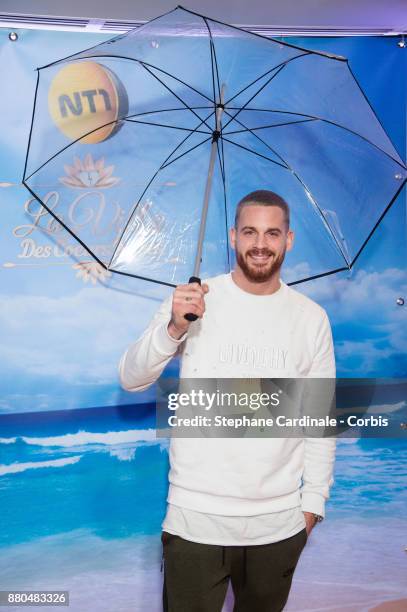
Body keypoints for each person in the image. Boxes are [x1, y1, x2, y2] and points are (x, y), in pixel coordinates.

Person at [119, 190, 336, 612]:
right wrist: (174, 327)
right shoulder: (193, 301)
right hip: (195, 521)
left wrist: (313, 506)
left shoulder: (311, 318)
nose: (261, 244)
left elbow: (319, 418)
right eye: (250, 232)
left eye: (272, 233)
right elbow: (131, 378)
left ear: (288, 239)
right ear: (234, 237)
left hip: (278, 527)